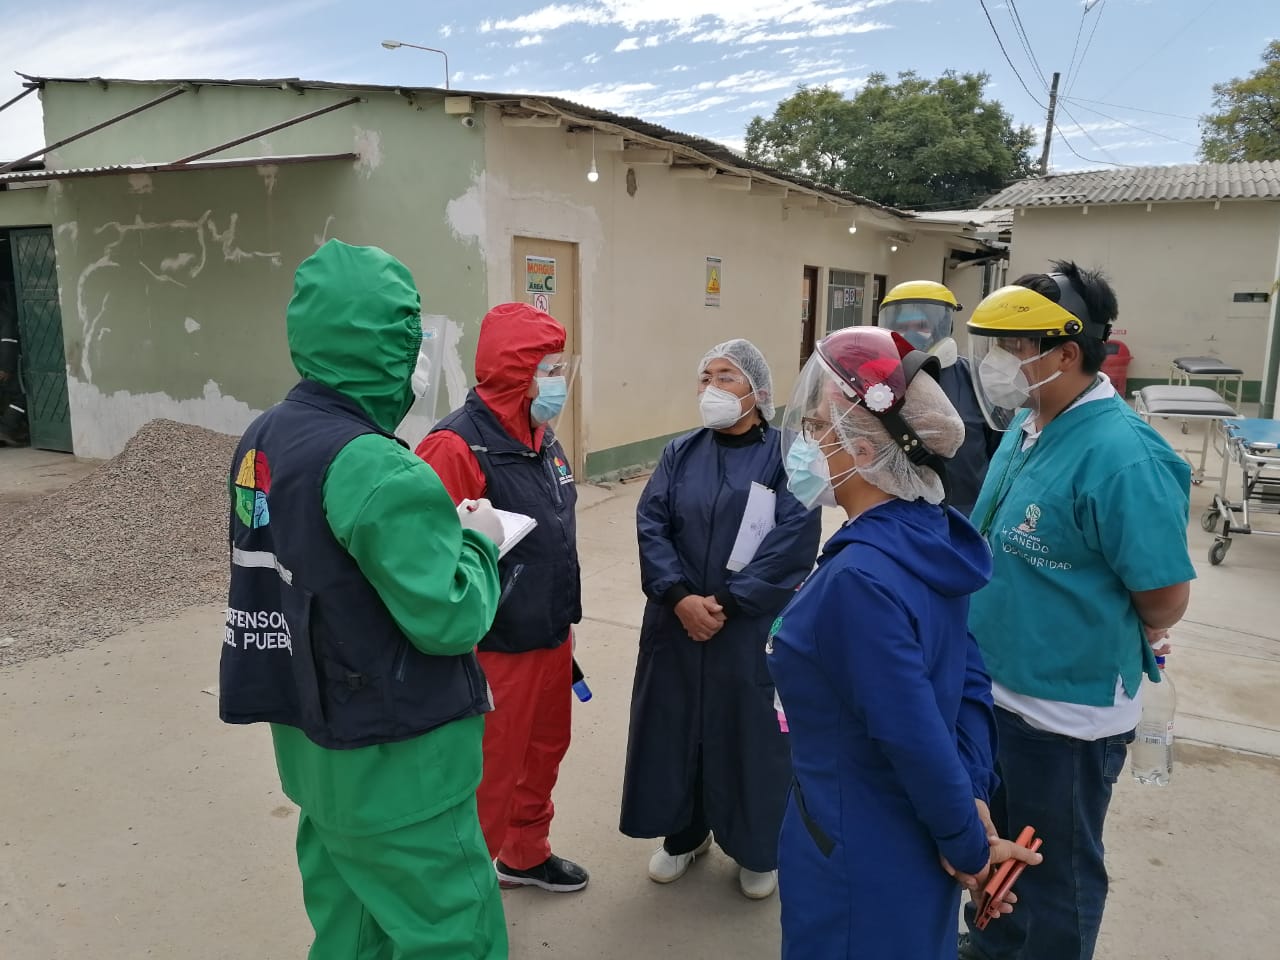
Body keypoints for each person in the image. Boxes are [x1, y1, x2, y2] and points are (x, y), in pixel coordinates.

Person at [220, 239, 508, 959]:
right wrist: (477, 540)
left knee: (349, 929)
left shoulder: (264, 437)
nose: (417, 356)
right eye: (410, 336)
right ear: (387, 346)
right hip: (399, 763)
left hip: (318, 751)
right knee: (453, 934)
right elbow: (449, 616)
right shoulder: (376, 464)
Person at [766, 326, 1043, 959]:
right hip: (915, 841)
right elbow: (969, 680)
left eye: (815, 431)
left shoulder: (859, 579)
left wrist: (970, 846)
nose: (804, 446)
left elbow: (911, 735)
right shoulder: (929, 536)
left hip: (858, 852)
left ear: (861, 448)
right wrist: (970, 801)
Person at [957, 262, 1195, 960]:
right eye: (996, 346)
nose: (1001, 363)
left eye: (1015, 348)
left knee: (1057, 873)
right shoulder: (1032, 425)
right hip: (997, 689)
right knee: (998, 852)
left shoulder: (1121, 454)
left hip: (1065, 714)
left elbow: (1164, 598)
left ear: (1067, 353)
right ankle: (995, 946)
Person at [619, 339, 822, 901]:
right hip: (676, 622)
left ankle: (758, 848)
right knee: (675, 727)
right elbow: (652, 523)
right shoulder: (679, 453)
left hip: (747, 627)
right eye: (704, 377)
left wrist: (728, 604)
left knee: (750, 734)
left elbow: (794, 538)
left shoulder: (789, 456)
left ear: (757, 391)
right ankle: (683, 833)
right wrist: (680, 596)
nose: (711, 388)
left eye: (726, 377)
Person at [415, 302, 588, 894]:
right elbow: (429, 565)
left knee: (542, 754)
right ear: (516, 372)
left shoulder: (542, 439)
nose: (560, 381)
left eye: (563, 367)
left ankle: (524, 854)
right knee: (487, 774)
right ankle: (466, 894)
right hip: (493, 647)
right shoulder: (456, 448)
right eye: (550, 367)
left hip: (549, 635)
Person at [878, 280, 998, 516]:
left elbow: (998, 450)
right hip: (899, 513)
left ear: (945, 326)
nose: (911, 334)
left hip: (966, 513)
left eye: (922, 325)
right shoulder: (879, 383)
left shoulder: (977, 379)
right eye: (903, 326)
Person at [0, 290, 29, 447]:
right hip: (6, 367)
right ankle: (7, 428)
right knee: (22, 396)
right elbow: (8, 342)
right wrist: (5, 367)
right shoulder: (6, 316)